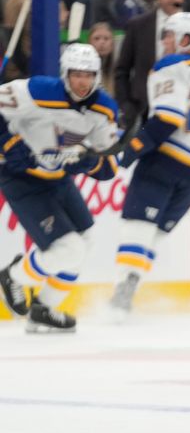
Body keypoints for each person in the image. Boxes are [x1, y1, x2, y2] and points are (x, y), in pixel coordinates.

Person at [109, 12, 190, 319]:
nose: (164, 42)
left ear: (186, 40)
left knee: (138, 225)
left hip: (166, 161)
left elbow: (168, 118)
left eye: (169, 35)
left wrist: (130, 152)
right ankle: (129, 287)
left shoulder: (169, 66)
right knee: (155, 233)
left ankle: (121, 296)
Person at [0, 44, 120, 332]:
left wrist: (82, 160)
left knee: (86, 240)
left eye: (89, 75)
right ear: (65, 74)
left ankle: (44, 307)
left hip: (58, 181)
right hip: (22, 179)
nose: (82, 82)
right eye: (76, 74)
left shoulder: (104, 110)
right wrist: (14, 148)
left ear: (98, 76)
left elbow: (108, 168)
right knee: (69, 248)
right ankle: (13, 276)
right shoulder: (38, 90)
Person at [114, 0, 186, 128]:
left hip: (185, 114)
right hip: (143, 114)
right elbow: (122, 71)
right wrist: (127, 107)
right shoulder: (138, 26)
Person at [88, 22, 117, 98]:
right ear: (89, 42)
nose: (102, 42)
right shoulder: (82, 70)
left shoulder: (119, 71)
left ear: (112, 43)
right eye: (97, 38)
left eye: (106, 38)